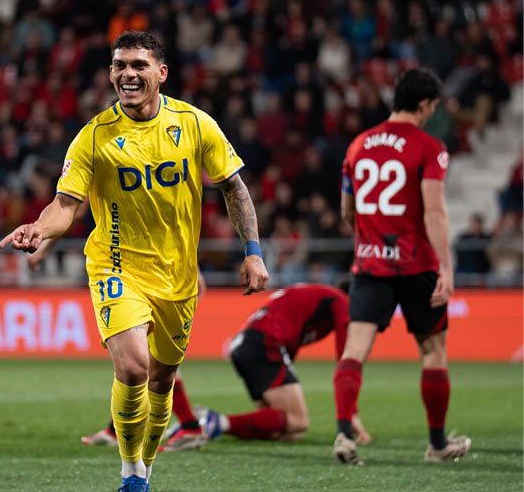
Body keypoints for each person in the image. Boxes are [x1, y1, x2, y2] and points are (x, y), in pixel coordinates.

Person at [0, 31, 269, 492]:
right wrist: (38, 228)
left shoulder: (193, 124)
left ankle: (145, 467)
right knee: (133, 367)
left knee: (164, 381)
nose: (128, 73)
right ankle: (130, 473)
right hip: (116, 266)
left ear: (161, 73)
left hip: (177, 276)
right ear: (110, 74)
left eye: (139, 64)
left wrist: (253, 253)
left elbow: (234, 187)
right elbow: (65, 205)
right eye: (119, 65)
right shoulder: (95, 136)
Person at [333, 68, 471, 465]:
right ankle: (438, 444)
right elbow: (435, 211)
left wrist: (370, 238)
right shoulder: (430, 146)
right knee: (432, 352)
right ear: (426, 104)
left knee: (354, 351)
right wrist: (446, 268)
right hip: (417, 266)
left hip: (370, 265)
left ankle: (343, 434)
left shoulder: (359, 145)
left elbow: (347, 211)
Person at [84, 283, 372, 450]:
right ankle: (213, 423)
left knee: (288, 430)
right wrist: (351, 413)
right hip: (263, 344)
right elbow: (347, 356)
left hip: (247, 344)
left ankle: (191, 424)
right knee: (298, 421)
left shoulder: (315, 294)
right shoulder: (343, 301)